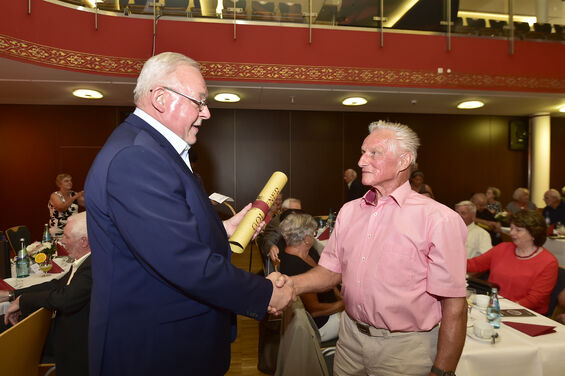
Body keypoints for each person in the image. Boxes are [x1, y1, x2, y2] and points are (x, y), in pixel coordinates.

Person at [84, 52, 294, 376]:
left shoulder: (153, 149)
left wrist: (224, 228)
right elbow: (183, 262)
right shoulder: (136, 157)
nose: (207, 113)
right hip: (155, 352)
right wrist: (265, 292)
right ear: (161, 98)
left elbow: (166, 234)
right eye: (199, 102)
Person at [288, 120, 467, 376]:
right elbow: (330, 272)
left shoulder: (439, 219)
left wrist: (443, 370)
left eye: (374, 153)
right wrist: (290, 285)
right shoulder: (350, 212)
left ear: (404, 161)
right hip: (349, 340)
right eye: (362, 152)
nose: (361, 161)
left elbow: (455, 306)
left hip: (404, 350)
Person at [1, 212, 91, 376]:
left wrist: (23, 300)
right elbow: (56, 284)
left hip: (73, 343)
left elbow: (66, 298)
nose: (62, 242)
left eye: (67, 237)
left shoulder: (92, 266)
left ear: (84, 242)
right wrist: (11, 294)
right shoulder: (85, 261)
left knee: (3, 326)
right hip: (64, 330)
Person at [467, 210, 558, 314]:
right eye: (511, 228)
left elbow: (534, 300)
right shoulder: (502, 248)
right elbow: (473, 265)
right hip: (494, 309)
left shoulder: (548, 262)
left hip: (526, 315)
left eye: (518, 230)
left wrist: (503, 310)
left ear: (534, 234)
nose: (511, 233)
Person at [278, 213, 344, 342]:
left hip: (330, 307)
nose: (315, 237)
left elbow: (328, 277)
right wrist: (345, 305)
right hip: (321, 324)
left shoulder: (309, 253)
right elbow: (314, 310)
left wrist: (340, 295)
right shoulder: (296, 267)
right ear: (306, 239)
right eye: (313, 234)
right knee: (361, 318)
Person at [48, 173, 84, 239]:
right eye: (66, 181)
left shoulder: (74, 194)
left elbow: (89, 205)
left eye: (70, 181)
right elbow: (61, 208)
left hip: (73, 230)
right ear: (59, 184)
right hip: (58, 231)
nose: (70, 182)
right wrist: (75, 197)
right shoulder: (54, 195)